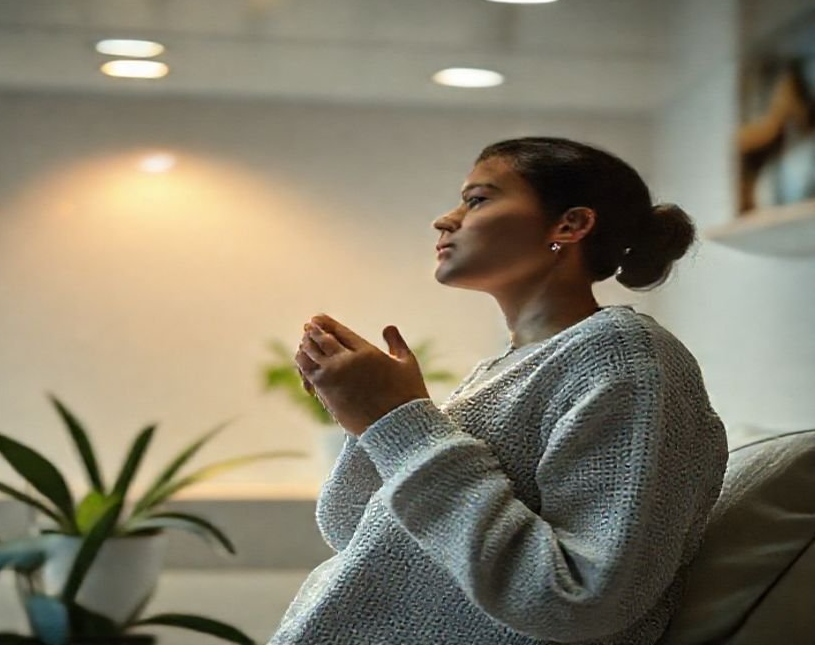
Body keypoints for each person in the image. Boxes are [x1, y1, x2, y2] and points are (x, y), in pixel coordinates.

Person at [275, 136, 729, 644]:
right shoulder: (506, 367)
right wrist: (366, 418)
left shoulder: (624, 357)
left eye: (477, 199)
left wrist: (399, 420)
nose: (444, 219)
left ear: (570, 225)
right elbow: (354, 532)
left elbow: (579, 601)